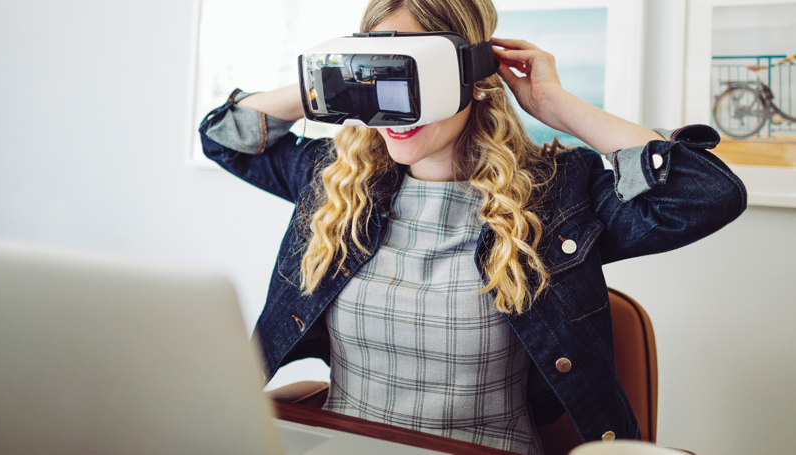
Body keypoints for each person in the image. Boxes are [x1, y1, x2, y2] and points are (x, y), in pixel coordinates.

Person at [198, 0, 746, 453]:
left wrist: (555, 104)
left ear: (470, 74)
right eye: (379, 75)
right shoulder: (335, 180)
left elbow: (706, 194)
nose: (397, 104)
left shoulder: (555, 195)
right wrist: (332, 82)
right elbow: (226, 138)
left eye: (413, 74)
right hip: (348, 442)